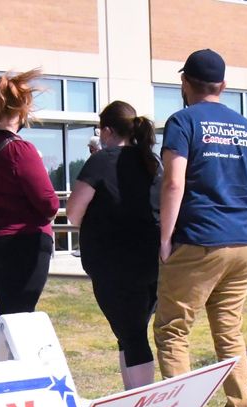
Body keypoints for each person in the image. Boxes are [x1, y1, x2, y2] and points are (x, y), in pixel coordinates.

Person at [155, 49, 247, 407]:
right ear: (223, 85)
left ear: (185, 82)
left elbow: (173, 183)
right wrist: (242, 230)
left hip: (198, 241)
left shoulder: (182, 122)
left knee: (172, 330)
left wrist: (166, 238)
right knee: (229, 333)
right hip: (242, 242)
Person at [66, 101, 161, 390]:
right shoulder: (152, 161)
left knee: (132, 336)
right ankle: (132, 401)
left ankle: (142, 405)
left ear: (107, 130)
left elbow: (73, 212)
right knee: (129, 333)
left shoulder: (102, 160)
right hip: (152, 260)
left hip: (115, 263)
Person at [0, 69, 60, 320]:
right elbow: (49, 203)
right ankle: (7, 360)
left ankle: (4, 357)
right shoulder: (20, 149)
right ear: (22, 108)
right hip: (23, 243)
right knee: (16, 319)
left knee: (9, 315)